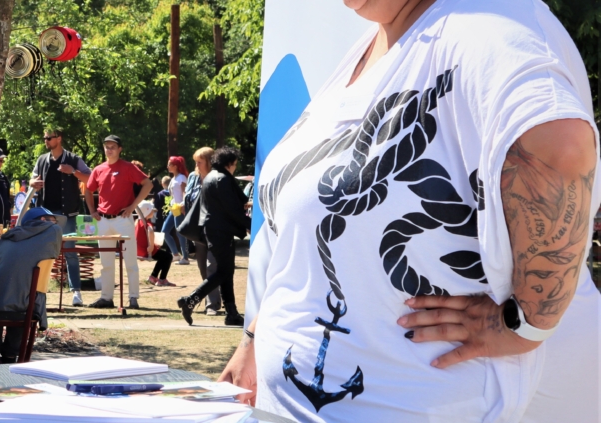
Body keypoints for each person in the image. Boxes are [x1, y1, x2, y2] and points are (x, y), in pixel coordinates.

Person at [218, 1, 600, 421]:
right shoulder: (375, 43)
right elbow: (303, 229)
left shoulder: (490, 25)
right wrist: (253, 340)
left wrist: (526, 322)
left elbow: (561, 150)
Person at [177, 147, 248, 327]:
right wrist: (250, 226)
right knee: (224, 271)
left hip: (213, 230)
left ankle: (231, 313)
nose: (235, 167)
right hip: (220, 231)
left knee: (226, 271)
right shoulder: (222, 179)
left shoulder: (210, 177)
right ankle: (191, 300)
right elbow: (231, 208)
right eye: (235, 164)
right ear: (230, 163)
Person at [83, 135, 150, 309]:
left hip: (123, 219)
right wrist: (92, 211)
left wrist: (133, 206)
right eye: (106, 147)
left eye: (113, 147)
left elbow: (147, 184)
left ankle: (133, 297)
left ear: (120, 149)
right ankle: (106, 297)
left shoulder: (128, 167)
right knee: (105, 262)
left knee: (130, 260)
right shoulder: (98, 169)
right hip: (103, 219)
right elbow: (88, 190)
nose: (109, 150)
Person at [29, 128, 91, 306]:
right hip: (45, 216)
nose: (46, 141)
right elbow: (33, 177)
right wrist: (33, 183)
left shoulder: (73, 159)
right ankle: (39, 292)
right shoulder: (42, 160)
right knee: (43, 254)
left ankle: (76, 292)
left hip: (68, 214)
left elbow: (91, 178)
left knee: (70, 252)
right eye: (44, 138)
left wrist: (72, 172)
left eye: (49, 138)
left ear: (59, 138)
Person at [0, 207, 62, 363]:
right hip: (26, 304)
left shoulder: (4, 241)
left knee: (10, 292)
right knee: (25, 293)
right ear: (43, 220)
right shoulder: (53, 231)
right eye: (53, 219)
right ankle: (10, 355)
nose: (56, 223)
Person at [185, 147, 221, 316]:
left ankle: (211, 305)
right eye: (195, 162)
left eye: (200, 162)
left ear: (209, 162)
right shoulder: (193, 177)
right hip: (196, 230)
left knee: (211, 266)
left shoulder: (218, 178)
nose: (197, 165)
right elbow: (189, 197)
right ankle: (213, 298)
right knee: (202, 267)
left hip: (215, 228)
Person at [135, 201, 175, 287]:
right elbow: (150, 231)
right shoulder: (147, 222)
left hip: (140, 250)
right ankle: (162, 279)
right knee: (168, 256)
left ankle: (153, 276)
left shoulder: (137, 222)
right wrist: (151, 245)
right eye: (152, 211)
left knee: (163, 257)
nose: (153, 213)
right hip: (147, 250)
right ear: (146, 211)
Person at [161, 156, 191, 265]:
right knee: (164, 231)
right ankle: (176, 254)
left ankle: (185, 257)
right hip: (173, 208)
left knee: (180, 233)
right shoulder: (174, 178)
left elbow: (184, 192)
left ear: (176, 166)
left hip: (179, 207)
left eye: (169, 164)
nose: (167, 166)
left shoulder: (182, 178)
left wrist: (183, 205)